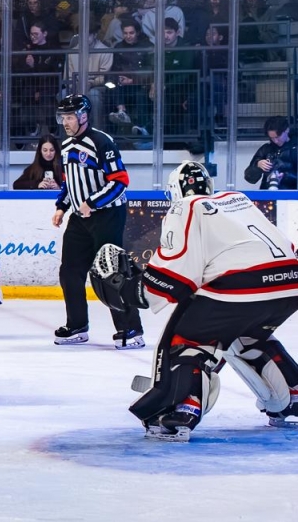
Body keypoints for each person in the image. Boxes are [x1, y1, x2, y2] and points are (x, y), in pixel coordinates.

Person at [90, 161, 298, 441]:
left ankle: (181, 407)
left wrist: (128, 289)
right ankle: (292, 396)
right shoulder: (238, 199)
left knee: (187, 342)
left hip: (241, 285)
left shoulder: (184, 207)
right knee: (247, 337)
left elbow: (174, 276)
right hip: (288, 281)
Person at [51, 94, 144, 349]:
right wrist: (62, 206)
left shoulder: (102, 142)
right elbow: (69, 182)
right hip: (80, 217)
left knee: (111, 272)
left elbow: (120, 181)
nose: (65, 122)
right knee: (70, 271)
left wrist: (93, 203)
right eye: (63, 117)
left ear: (83, 116)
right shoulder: (67, 145)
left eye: (69, 117)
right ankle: (77, 325)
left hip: (108, 215)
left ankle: (131, 329)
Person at [244, 116, 298, 190]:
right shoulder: (266, 149)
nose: (275, 141)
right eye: (272, 138)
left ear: (287, 130)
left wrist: (285, 176)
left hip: (292, 195)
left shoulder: (295, 149)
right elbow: (249, 178)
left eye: (278, 137)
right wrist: (257, 165)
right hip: (268, 194)